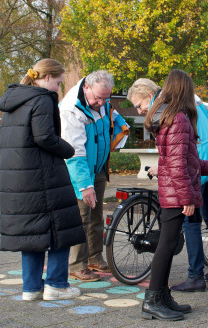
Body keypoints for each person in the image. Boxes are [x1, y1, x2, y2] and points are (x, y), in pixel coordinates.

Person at [127, 78, 208, 292]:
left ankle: (195, 276)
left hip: (197, 157)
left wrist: (163, 169)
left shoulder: (165, 111)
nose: (139, 111)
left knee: (190, 220)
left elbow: (176, 160)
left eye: (138, 105)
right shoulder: (194, 101)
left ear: (147, 95)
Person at [0, 59, 85, 301]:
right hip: (43, 174)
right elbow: (45, 136)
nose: (58, 88)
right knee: (61, 227)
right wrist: (69, 150)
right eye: (58, 83)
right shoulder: (42, 98)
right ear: (47, 78)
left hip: (18, 180)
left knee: (32, 234)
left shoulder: (13, 101)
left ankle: (31, 288)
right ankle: (56, 285)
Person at [60, 70, 129, 282]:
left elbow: (112, 119)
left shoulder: (102, 101)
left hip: (98, 166)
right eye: (98, 98)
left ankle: (94, 256)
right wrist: (84, 185)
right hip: (79, 170)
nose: (101, 103)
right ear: (86, 88)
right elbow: (75, 152)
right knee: (81, 217)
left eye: (106, 98)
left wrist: (122, 126)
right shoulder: (71, 109)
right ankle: (76, 265)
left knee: (96, 214)